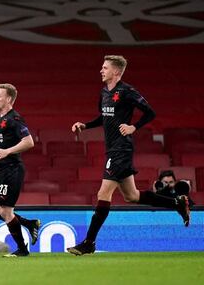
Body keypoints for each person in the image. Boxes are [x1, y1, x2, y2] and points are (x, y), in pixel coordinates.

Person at [67, 55, 191, 256]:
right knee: (131, 195)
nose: (101, 70)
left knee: (102, 194)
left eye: (105, 67)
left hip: (121, 149)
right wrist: (85, 125)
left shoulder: (127, 91)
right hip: (113, 148)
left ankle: (89, 242)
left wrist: (134, 127)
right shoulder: (104, 92)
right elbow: (104, 117)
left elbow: (150, 113)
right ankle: (176, 202)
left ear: (116, 72)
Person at [0, 83, 41, 257]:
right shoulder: (0, 118)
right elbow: (5, 143)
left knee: (6, 211)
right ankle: (29, 224)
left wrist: (7, 151)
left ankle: (22, 249)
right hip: (1, 170)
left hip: (12, 170)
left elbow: (29, 142)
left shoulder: (15, 118)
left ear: (8, 99)